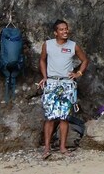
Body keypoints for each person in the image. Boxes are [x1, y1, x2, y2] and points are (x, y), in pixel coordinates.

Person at [38, 19, 89, 159]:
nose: (65, 31)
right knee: (49, 117)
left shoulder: (73, 46)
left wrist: (78, 73)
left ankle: (62, 147)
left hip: (67, 84)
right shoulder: (47, 45)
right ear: (55, 33)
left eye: (66, 29)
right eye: (61, 29)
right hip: (52, 82)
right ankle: (47, 148)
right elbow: (42, 60)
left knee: (64, 117)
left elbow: (85, 60)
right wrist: (45, 76)